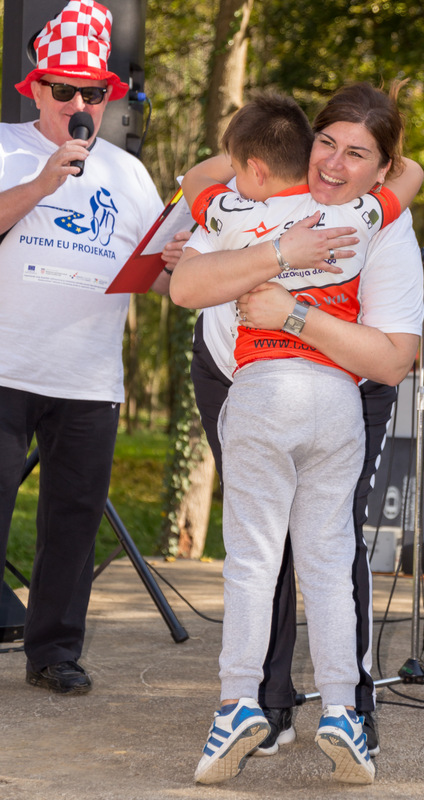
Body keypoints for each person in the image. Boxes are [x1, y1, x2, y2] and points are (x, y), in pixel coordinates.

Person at [171, 87, 423, 785]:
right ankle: (343, 710)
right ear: (306, 144)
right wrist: (393, 173)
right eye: (326, 144)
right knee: (330, 558)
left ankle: (238, 704)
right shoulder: (363, 214)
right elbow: (407, 180)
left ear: (252, 165)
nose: (336, 163)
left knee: (252, 559)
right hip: (336, 401)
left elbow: (196, 188)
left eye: (356, 154)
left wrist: (276, 276)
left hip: (262, 392)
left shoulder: (235, 208)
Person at [0, 0, 185, 695]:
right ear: (35, 90)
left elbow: (154, 274)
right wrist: (43, 182)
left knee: (74, 522)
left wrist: (180, 263)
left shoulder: (128, 173)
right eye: (64, 91)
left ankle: (54, 654)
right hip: (5, 367)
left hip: (88, 377)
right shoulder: (5, 147)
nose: (80, 106)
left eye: (93, 93)